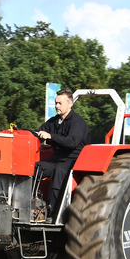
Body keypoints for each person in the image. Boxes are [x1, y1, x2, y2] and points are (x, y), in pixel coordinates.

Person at [35, 88, 91, 220]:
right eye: (55, 103)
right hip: (57, 158)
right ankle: (32, 204)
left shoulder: (78, 122)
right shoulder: (55, 120)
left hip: (73, 160)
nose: (56, 106)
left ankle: (54, 214)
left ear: (70, 104)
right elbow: (38, 132)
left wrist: (50, 136)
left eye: (60, 103)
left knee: (59, 172)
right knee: (35, 168)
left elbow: (71, 142)